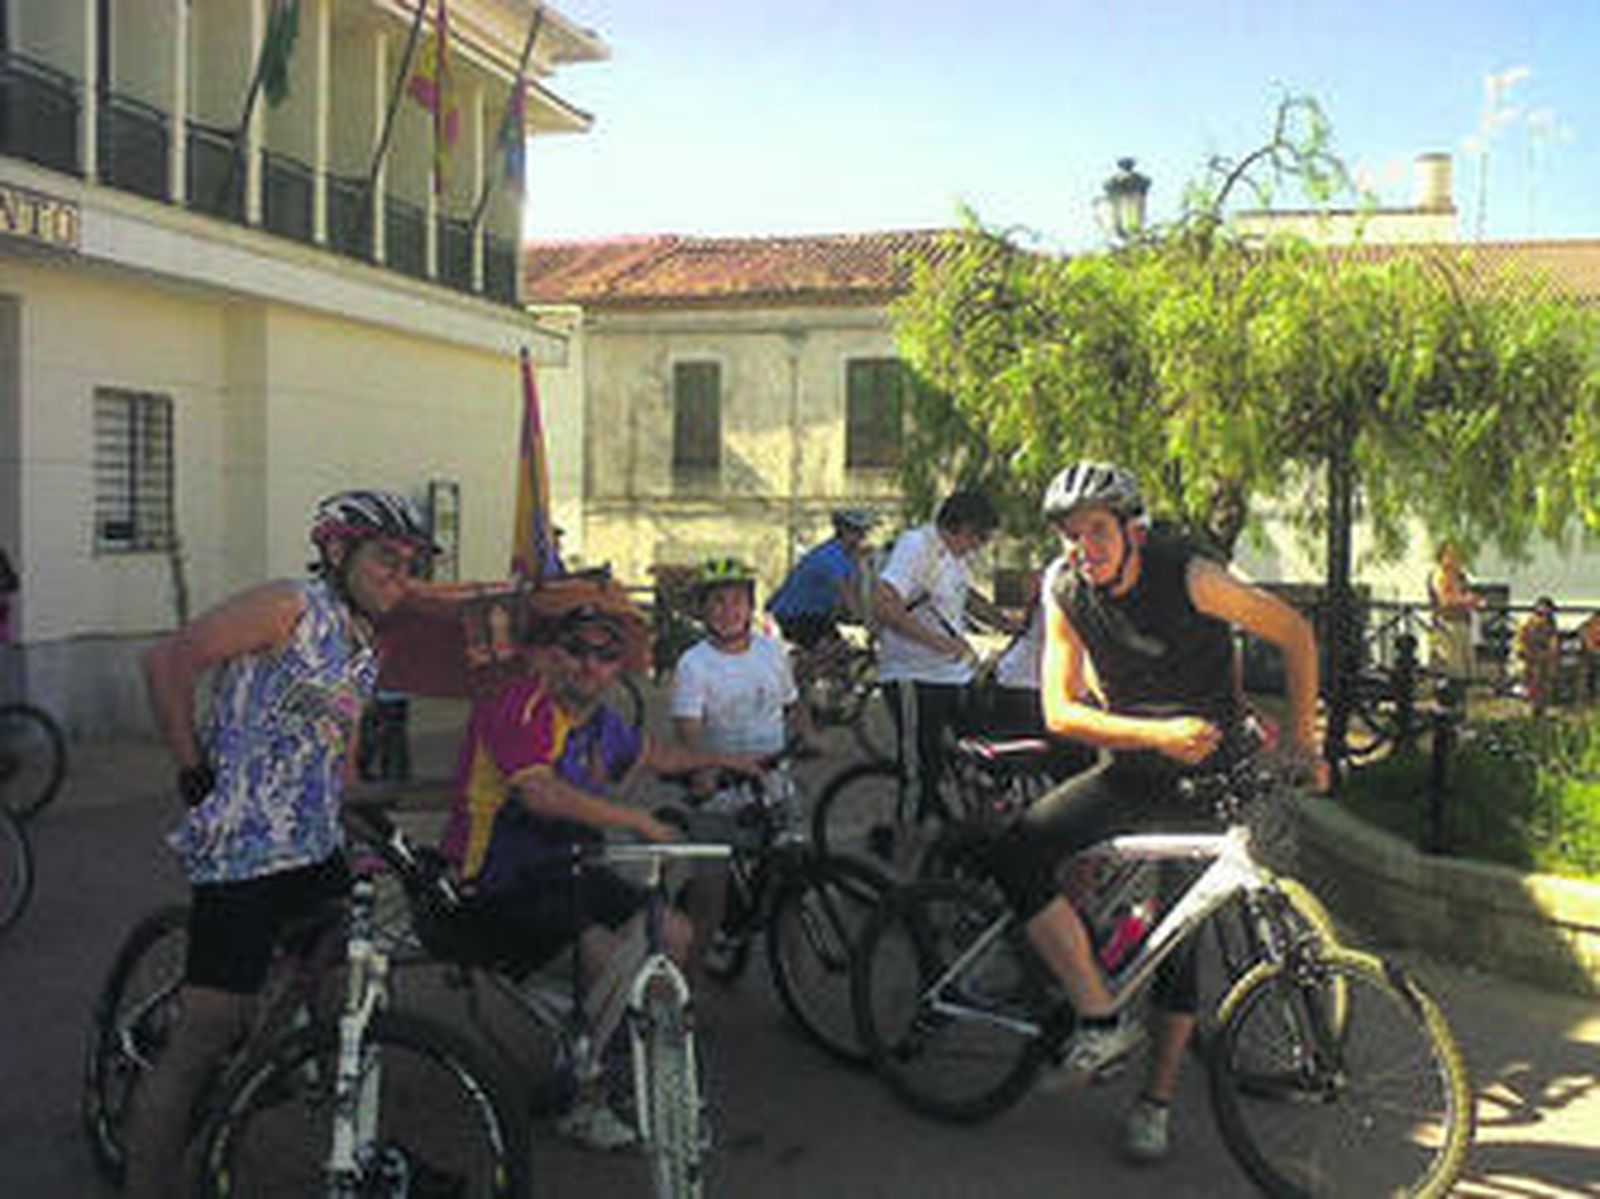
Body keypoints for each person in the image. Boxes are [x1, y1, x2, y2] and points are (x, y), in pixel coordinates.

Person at [987, 462, 1326, 1165]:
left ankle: (1156, 1102)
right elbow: (1060, 709)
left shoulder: (1191, 576)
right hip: (1135, 770)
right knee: (1018, 849)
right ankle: (1097, 1014)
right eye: (1070, 534)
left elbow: (1295, 632)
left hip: (1208, 781)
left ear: (1132, 530)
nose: (1083, 547)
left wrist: (1301, 740)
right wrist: (1157, 734)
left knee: (1177, 948)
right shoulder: (1064, 587)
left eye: (1097, 531)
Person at [127, 489, 437, 1198]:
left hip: (314, 851)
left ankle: (359, 1159)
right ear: (338, 550)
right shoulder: (288, 605)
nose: (401, 574)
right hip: (243, 855)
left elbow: (342, 778)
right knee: (205, 1035)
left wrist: (442, 801)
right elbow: (165, 662)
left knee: (347, 1006)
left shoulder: (365, 651)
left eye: (411, 563)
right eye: (387, 557)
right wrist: (191, 770)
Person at [441, 576, 762, 1151]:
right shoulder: (517, 705)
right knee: (610, 961)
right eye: (576, 649)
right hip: (493, 885)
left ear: (618, 667)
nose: (590, 664)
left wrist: (728, 760)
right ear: (549, 653)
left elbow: (652, 754)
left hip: (569, 870)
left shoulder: (597, 720)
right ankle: (582, 1099)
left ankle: (622, 1056)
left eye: (606, 654)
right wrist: (636, 821)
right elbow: (540, 793)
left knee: (676, 934)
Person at [671, 558, 824, 971]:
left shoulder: (772, 652)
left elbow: (793, 703)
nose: (728, 610)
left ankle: (795, 979)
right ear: (702, 609)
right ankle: (688, 987)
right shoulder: (693, 664)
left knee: (793, 882)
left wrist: (808, 734)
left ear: (751, 606)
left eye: (737, 601)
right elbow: (688, 729)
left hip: (772, 780)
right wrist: (703, 769)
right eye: (717, 602)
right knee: (711, 899)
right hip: (721, 787)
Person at [872, 490, 1004, 828]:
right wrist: (940, 643)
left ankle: (968, 831)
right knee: (920, 771)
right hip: (914, 675)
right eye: (981, 537)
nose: (980, 546)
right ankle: (905, 847)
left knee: (983, 755)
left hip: (952, 675)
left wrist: (1004, 622)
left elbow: (965, 597)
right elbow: (884, 604)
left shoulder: (952, 556)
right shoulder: (917, 546)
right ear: (963, 527)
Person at [766, 508, 878, 651]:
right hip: (797, 616)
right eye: (858, 531)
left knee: (842, 650)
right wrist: (868, 623)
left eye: (865, 532)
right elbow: (848, 594)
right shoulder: (832, 556)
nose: (863, 537)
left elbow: (851, 594)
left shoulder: (845, 555)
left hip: (814, 614)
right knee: (833, 652)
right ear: (844, 531)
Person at [1427, 541, 1480, 688]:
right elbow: (1445, 600)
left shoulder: (1460, 577)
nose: (1456, 559)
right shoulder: (1440, 576)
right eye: (1451, 554)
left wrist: (1472, 600)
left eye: (1457, 555)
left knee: (1467, 671)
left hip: (1463, 624)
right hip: (1448, 625)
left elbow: (1468, 595)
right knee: (1453, 671)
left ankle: (1464, 695)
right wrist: (1465, 600)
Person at [1514, 596, 1562, 715]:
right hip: (1531, 655)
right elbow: (1520, 638)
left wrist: (1553, 654)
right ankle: (1531, 706)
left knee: (1544, 683)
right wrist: (1522, 650)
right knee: (1531, 681)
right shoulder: (1529, 622)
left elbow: (1554, 641)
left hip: (1544, 657)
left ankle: (1541, 707)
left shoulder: (1551, 623)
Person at [1578, 611, 1600, 703]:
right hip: (1588, 657)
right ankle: (1585, 700)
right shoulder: (1586, 627)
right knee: (1585, 679)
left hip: (1596, 656)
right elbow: (1586, 641)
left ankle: (1596, 699)